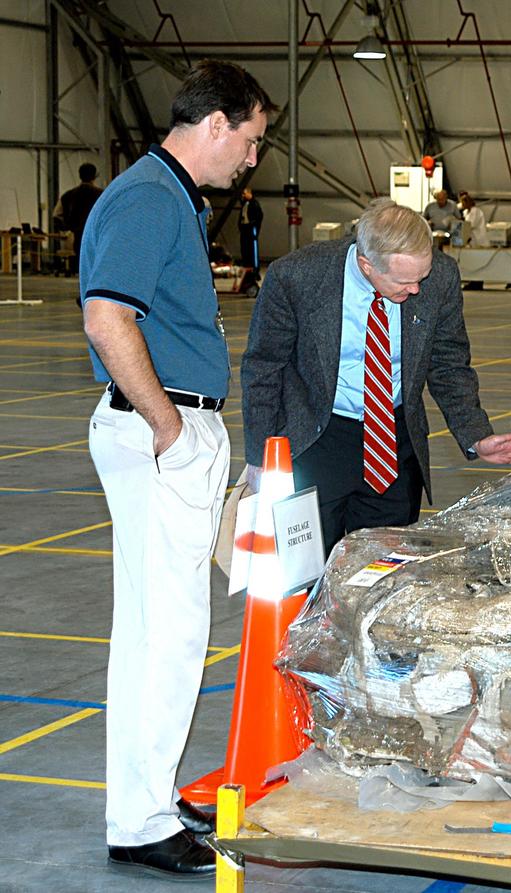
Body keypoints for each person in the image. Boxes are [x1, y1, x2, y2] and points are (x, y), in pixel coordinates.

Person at [80, 60, 274, 879]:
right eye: (253, 141)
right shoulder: (150, 197)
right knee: (168, 633)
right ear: (218, 124)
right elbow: (105, 316)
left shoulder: (166, 196)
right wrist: (168, 425)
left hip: (170, 428)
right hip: (162, 430)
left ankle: (146, 798)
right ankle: (143, 819)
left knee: (162, 628)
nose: (253, 160)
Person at [241, 198, 511, 555]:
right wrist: (260, 454)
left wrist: (476, 436)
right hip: (316, 441)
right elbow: (263, 365)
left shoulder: (440, 277)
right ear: (366, 265)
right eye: (404, 281)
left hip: (393, 446)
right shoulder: (297, 277)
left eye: (422, 277)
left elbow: (449, 364)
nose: (416, 290)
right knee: (307, 571)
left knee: (383, 574)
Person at [56, 162, 104, 274]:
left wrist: (67, 227)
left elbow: (57, 215)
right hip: (96, 235)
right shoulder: (102, 195)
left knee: (81, 266)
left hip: (76, 235)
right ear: (94, 176)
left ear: (79, 175)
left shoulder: (68, 195)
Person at [238, 186, 263, 272]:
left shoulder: (254, 204)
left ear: (249, 193)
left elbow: (259, 216)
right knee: (245, 249)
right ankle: (247, 267)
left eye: (245, 193)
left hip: (251, 228)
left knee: (252, 249)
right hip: (245, 228)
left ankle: (255, 270)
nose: (243, 195)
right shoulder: (245, 204)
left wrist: (253, 224)